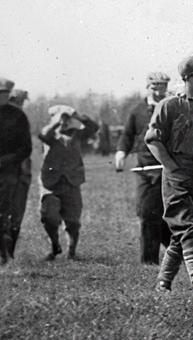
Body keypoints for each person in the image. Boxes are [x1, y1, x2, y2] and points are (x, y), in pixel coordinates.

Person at [146, 55, 193, 292]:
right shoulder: (169, 106)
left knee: (186, 231)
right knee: (188, 226)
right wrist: (172, 168)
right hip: (178, 174)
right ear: (188, 78)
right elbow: (152, 140)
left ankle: (163, 284)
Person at [115, 71, 173, 264]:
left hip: (167, 167)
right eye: (154, 86)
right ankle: (161, 256)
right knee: (148, 211)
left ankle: (164, 256)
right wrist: (121, 152)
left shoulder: (173, 107)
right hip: (144, 168)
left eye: (162, 85)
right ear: (147, 87)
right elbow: (127, 135)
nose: (158, 90)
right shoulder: (138, 110)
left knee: (157, 212)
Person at [38, 105, 100, 260]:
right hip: (50, 183)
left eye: (67, 119)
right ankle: (54, 245)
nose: (64, 122)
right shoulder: (50, 134)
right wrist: (56, 122)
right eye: (60, 118)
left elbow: (94, 128)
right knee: (49, 216)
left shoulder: (77, 134)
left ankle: (71, 251)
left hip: (71, 182)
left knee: (73, 220)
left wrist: (78, 116)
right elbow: (43, 134)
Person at [0, 79, 32, 264]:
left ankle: (6, 253)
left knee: (10, 214)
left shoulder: (17, 116)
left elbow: (26, 147)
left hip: (11, 172)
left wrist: (5, 161)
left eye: (4, 93)